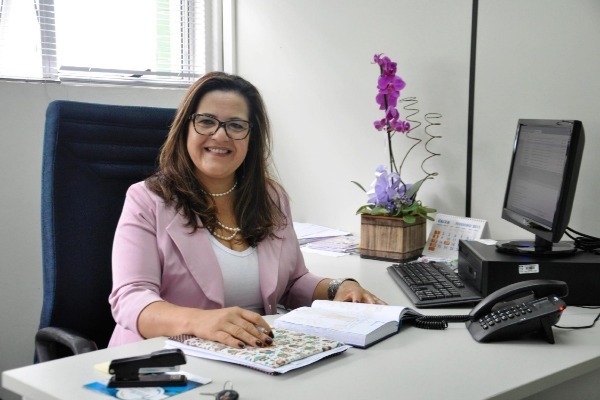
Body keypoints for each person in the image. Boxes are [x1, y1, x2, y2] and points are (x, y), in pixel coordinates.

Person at [108, 71, 384, 350]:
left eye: (236, 125)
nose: (220, 135)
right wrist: (199, 321)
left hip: (255, 355)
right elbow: (130, 298)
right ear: (185, 128)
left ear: (252, 136)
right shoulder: (147, 199)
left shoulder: (271, 197)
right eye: (206, 121)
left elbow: (292, 283)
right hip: (168, 356)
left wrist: (338, 287)